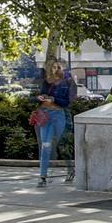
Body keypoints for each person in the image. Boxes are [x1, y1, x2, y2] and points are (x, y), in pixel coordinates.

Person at [34, 59, 73, 187]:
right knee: (45, 146)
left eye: (58, 67)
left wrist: (54, 99)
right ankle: (42, 176)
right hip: (46, 115)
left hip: (58, 114)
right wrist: (39, 98)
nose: (55, 69)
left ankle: (70, 169)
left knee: (62, 144)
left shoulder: (65, 84)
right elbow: (39, 96)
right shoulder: (46, 82)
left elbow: (66, 102)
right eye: (54, 67)